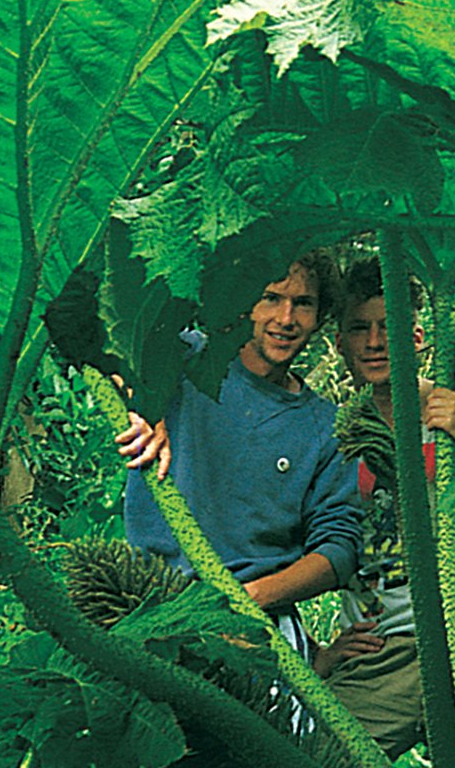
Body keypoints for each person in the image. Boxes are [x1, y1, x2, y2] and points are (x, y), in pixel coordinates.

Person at [117, 252, 361, 653]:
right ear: (244, 303)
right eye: (270, 298)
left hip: (256, 628)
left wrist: (249, 599)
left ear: (320, 316)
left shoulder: (326, 428)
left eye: (303, 303)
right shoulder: (180, 358)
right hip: (149, 605)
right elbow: (103, 342)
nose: (286, 318)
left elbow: (339, 548)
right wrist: (147, 404)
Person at [314, 258, 455, 759]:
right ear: (340, 344)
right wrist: (317, 652)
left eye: (388, 326)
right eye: (358, 329)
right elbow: (279, 541)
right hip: (380, 649)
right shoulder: (329, 434)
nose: (374, 342)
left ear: (416, 336)